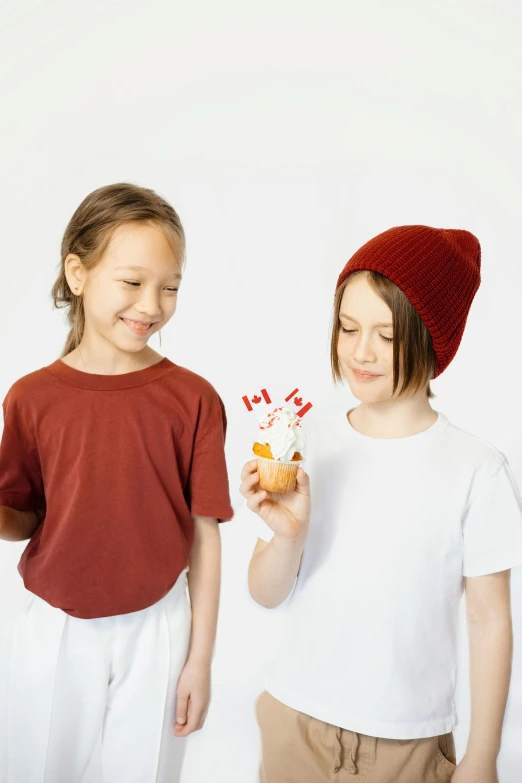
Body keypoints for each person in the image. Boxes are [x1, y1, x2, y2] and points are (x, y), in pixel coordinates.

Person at [240, 225, 522, 783]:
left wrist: (482, 756)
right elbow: (264, 594)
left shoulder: (475, 468)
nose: (360, 352)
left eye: (386, 336)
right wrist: (287, 537)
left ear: (432, 341)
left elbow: (489, 618)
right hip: (294, 723)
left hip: (408, 743)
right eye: (347, 328)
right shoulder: (307, 440)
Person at [0, 183, 233, 783]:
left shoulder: (193, 399)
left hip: (160, 626)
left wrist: (199, 661)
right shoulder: (31, 398)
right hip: (55, 628)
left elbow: (205, 535)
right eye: (132, 282)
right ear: (77, 274)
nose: (152, 304)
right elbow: (21, 517)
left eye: (170, 286)